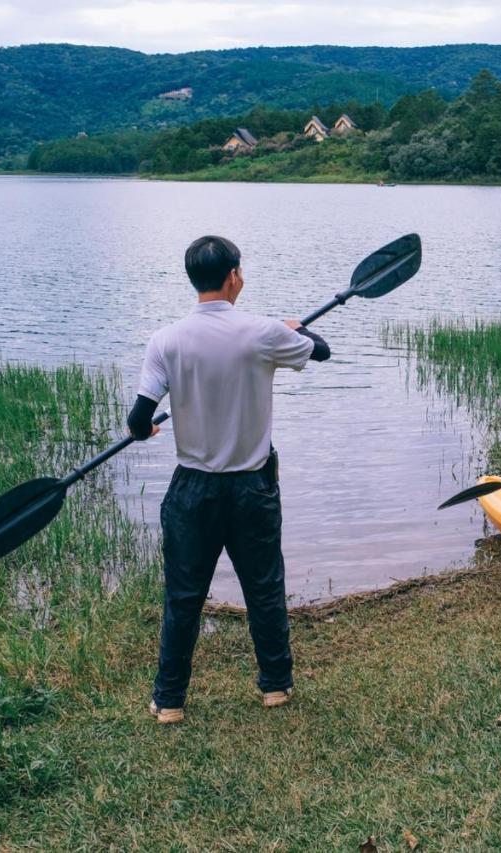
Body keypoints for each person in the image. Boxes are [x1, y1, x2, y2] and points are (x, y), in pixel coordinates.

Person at [127, 235, 331, 724]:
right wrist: (295, 327)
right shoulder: (262, 333)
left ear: (192, 279)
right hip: (252, 487)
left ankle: (170, 701)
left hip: (192, 489)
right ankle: (275, 687)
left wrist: (149, 428)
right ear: (234, 276)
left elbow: (137, 421)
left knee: (183, 594)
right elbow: (320, 351)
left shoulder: (166, 340)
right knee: (264, 587)